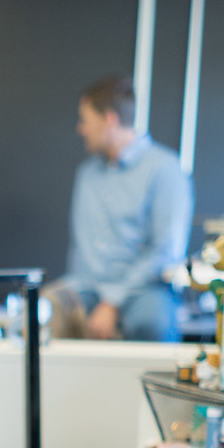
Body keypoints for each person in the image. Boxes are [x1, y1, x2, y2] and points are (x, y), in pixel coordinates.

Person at [61, 76, 192, 342]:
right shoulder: (87, 174)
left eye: (85, 120)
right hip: (87, 287)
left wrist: (112, 302)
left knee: (151, 324)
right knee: (38, 315)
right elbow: (79, 249)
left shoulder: (165, 169)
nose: (81, 129)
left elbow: (166, 250)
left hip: (143, 289)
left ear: (109, 119)